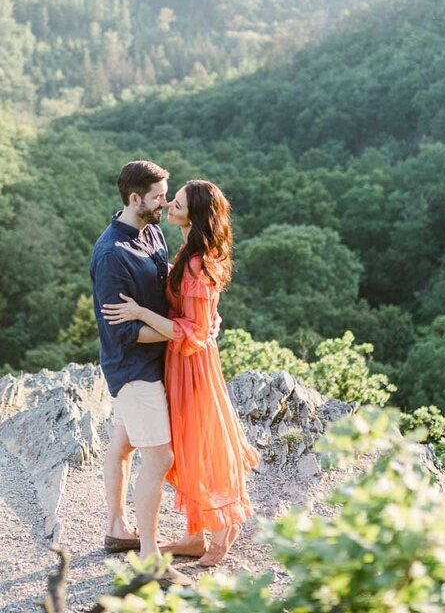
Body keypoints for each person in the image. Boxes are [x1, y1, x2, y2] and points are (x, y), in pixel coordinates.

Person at [103, 180, 257, 567]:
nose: (169, 203)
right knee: (186, 446)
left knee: (203, 443)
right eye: (169, 197)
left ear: (195, 214)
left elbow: (191, 331)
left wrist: (139, 313)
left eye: (178, 201)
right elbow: (194, 314)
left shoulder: (195, 261)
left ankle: (222, 535)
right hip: (177, 361)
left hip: (192, 363)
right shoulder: (185, 249)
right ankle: (193, 535)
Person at [90, 160, 192, 586]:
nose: (164, 203)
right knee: (160, 457)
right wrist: (179, 334)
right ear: (135, 199)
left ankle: (117, 528)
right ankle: (150, 561)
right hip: (133, 369)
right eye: (157, 197)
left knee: (124, 442)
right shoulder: (112, 255)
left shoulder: (150, 231)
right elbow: (125, 330)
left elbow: (162, 284)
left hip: (151, 364)